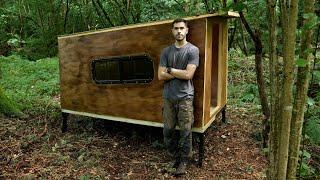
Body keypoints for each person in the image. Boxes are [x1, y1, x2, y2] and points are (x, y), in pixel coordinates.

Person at [158, 18, 199, 176]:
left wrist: (169, 70)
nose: (179, 31)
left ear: (187, 30)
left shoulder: (192, 50)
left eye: (182, 28)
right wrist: (177, 73)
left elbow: (189, 74)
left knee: (185, 131)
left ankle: (183, 161)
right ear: (172, 31)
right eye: (176, 28)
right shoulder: (166, 51)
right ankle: (174, 157)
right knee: (168, 130)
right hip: (168, 97)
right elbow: (160, 77)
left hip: (185, 98)